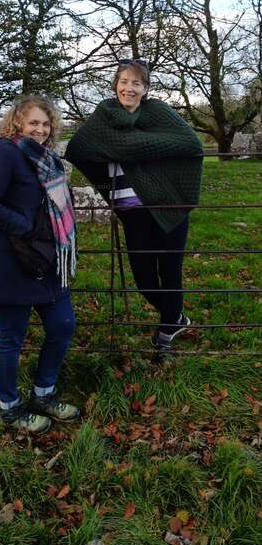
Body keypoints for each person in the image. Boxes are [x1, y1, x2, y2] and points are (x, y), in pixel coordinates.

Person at [65, 59, 204, 355]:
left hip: (168, 205)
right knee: (143, 278)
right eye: (124, 81)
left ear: (145, 88)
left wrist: (129, 147)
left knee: (170, 272)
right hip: (130, 210)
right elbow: (77, 149)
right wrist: (106, 187)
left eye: (136, 83)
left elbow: (191, 143)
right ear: (116, 84)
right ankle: (176, 316)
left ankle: (165, 335)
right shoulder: (103, 116)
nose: (129, 88)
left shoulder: (158, 112)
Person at [0, 95, 80, 433]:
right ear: (18, 121)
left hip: (46, 258)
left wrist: (43, 234)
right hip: (11, 259)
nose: (40, 129)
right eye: (34, 122)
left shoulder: (47, 158)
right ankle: (10, 407)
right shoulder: (6, 152)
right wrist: (26, 228)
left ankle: (43, 394)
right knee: (12, 336)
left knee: (62, 324)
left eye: (46, 124)